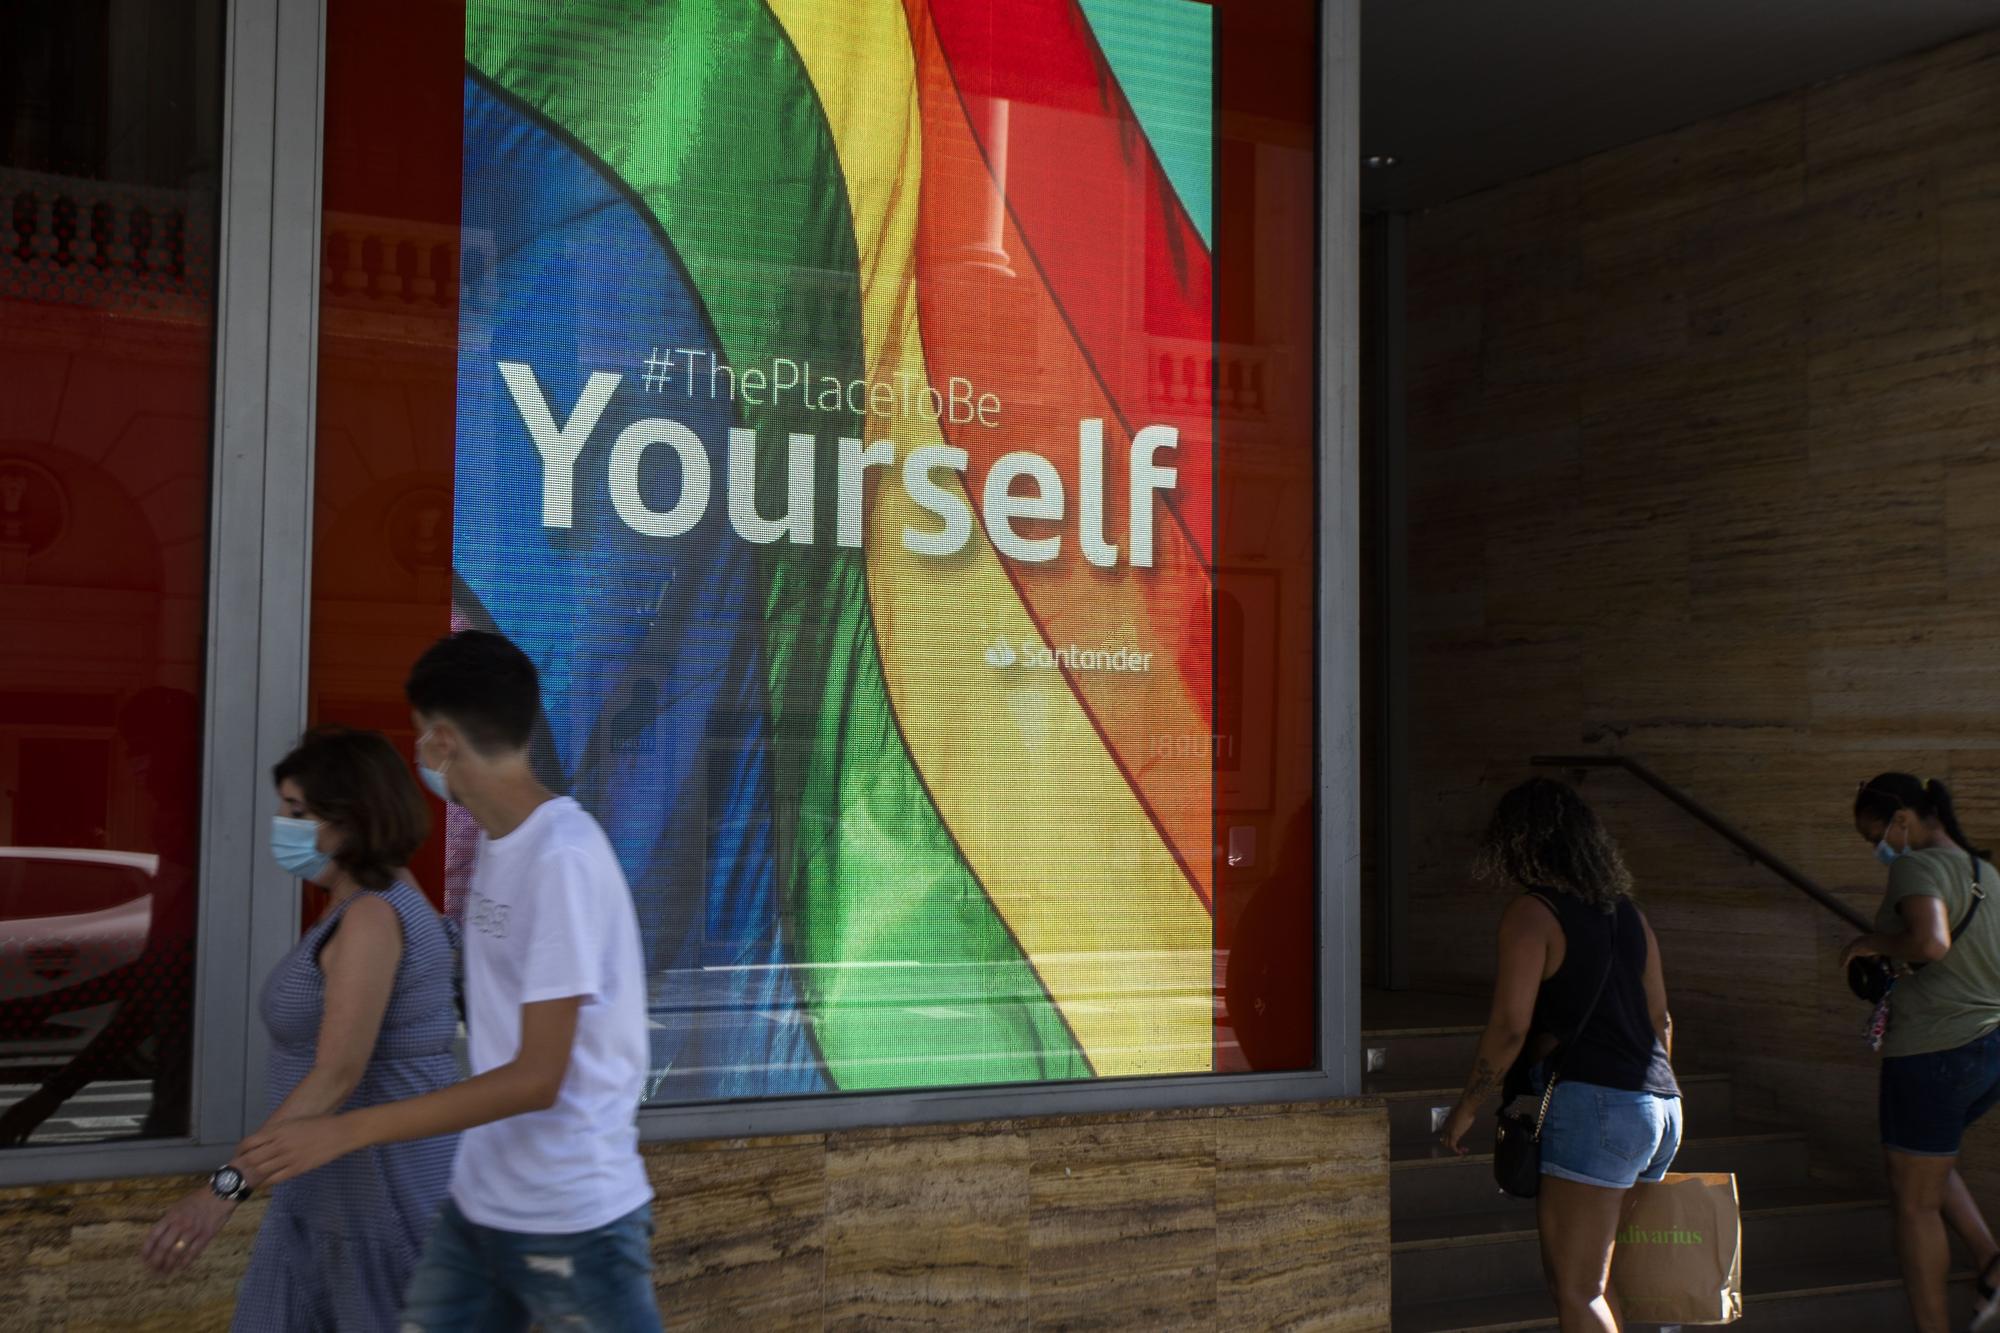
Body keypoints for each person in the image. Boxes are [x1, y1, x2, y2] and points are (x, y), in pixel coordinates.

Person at [237, 630, 660, 1331]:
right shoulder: (502, 846)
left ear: (441, 742)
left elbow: (536, 1076)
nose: (417, 757)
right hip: (487, 1204)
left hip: (569, 1221)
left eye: (416, 738)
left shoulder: (562, 859)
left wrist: (344, 1131)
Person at [141, 725, 460, 1329]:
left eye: (297, 811)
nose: (282, 826)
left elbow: (337, 1073)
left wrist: (222, 1192)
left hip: (374, 1201)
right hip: (333, 1193)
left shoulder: (370, 917)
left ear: (352, 818)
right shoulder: (377, 897)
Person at [1439, 778, 1680, 1333]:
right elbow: (1661, 1019)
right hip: (1660, 1104)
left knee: (1576, 1290)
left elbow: (1509, 1027)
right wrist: (1649, 1103)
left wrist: (1467, 1108)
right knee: (1599, 1282)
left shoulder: (1533, 914)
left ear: (1518, 843)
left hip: (1598, 1106)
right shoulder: (1631, 916)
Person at [1846, 773, 2000, 1333]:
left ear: (1903, 821)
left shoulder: (1917, 864)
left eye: (1876, 837)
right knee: (1930, 1162)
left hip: (1934, 1050)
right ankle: (1990, 1262)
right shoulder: (1986, 872)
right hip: (1989, 1048)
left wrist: (1869, 943)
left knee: (1915, 1205)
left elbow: (1931, 942)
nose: (1880, 850)